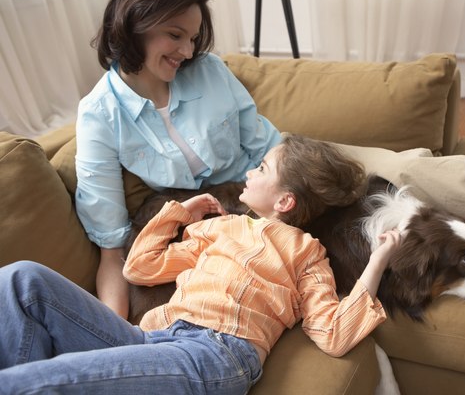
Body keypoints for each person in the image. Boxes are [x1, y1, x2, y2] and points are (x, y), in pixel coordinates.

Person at [76, 0, 465, 318]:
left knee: (410, 168)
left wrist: (304, 170)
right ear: (136, 23)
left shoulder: (209, 71)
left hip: (285, 162)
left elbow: (268, 143)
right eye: (174, 35)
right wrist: (114, 324)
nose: (187, 49)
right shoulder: (98, 118)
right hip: (239, 206)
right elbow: (110, 251)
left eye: (192, 36)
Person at [0, 134, 399, 394]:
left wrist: (377, 260)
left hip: (216, 356)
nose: (248, 172)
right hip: (153, 339)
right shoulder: (220, 228)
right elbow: (139, 267)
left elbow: (333, 332)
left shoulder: (307, 254)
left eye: (261, 169)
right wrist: (179, 213)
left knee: (32, 383)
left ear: (284, 202)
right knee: (22, 280)